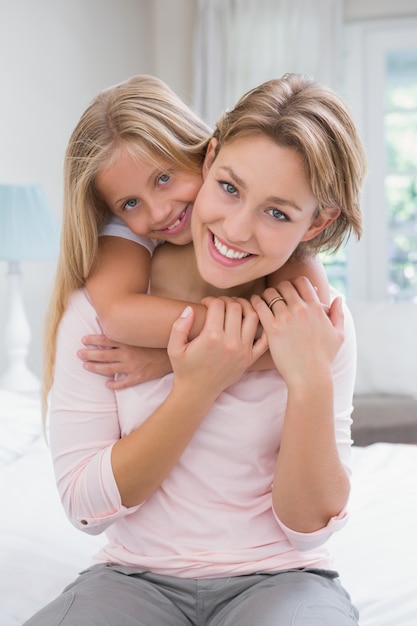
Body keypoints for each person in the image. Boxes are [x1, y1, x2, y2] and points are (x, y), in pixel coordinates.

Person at [28, 73, 366, 625]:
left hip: (281, 579)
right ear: (210, 160)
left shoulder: (316, 323)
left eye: (278, 212)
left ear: (317, 222)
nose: (236, 227)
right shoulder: (103, 312)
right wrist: (197, 381)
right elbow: (86, 510)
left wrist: (309, 379)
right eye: (230, 188)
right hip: (132, 579)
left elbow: (310, 530)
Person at [48, 74, 329, 393]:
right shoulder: (123, 235)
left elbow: (316, 335)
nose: (158, 212)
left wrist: (168, 358)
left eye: (164, 178)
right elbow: (118, 316)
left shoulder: (271, 219)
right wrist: (247, 328)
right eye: (129, 203)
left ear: (203, 156)